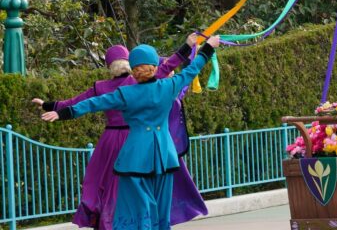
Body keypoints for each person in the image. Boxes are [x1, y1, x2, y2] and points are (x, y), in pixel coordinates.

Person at [41, 35, 219, 230]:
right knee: (161, 214)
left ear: (134, 70)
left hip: (135, 160)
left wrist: (62, 113)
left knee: (138, 211)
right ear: (155, 67)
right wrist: (208, 47)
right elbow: (192, 69)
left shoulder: (125, 94)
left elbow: (92, 103)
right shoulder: (169, 86)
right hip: (165, 159)